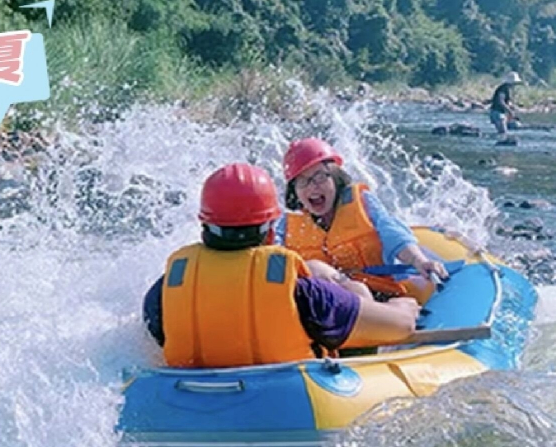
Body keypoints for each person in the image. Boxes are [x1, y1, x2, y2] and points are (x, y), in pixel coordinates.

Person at [143, 163, 420, 369]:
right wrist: (404, 304)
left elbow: (157, 338)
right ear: (270, 233)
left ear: (204, 225)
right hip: (292, 403)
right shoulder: (306, 294)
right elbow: (401, 327)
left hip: (189, 404)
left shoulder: (166, 288)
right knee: (358, 293)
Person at [277, 139, 448, 300]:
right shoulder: (287, 225)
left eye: (320, 176)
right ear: (295, 192)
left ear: (336, 178)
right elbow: (271, 259)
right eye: (302, 182)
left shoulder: (363, 203)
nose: (313, 186)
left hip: (379, 295)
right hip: (326, 304)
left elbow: (394, 235)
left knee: (406, 305)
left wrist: (419, 260)